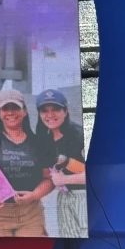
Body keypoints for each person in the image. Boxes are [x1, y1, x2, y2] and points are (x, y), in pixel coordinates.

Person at [0, 89, 54, 237]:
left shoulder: (39, 143)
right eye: (6, 108)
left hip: (30, 214)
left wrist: (34, 195)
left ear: (25, 111)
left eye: (15, 108)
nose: (10, 113)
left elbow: (49, 179)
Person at [34, 89, 86, 237]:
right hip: (64, 197)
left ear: (66, 111)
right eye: (44, 110)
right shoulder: (45, 139)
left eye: (56, 109)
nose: (50, 115)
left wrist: (65, 179)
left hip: (84, 197)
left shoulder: (79, 135)